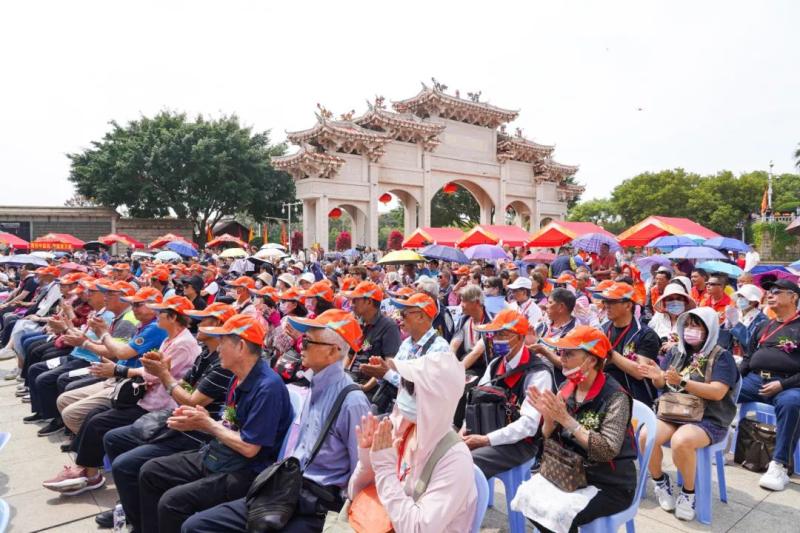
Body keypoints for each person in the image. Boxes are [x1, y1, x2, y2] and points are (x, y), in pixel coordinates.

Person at [182, 309, 370, 533]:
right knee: (196, 526)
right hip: (288, 487)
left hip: (317, 502)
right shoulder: (315, 386)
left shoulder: (351, 401)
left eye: (307, 341)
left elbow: (361, 470)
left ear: (332, 351)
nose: (301, 347)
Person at [137, 314, 292, 533]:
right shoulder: (234, 374)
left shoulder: (267, 387)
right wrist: (200, 421)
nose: (218, 348)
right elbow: (227, 420)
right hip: (222, 453)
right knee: (150, 471)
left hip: (246, 470)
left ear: (241, 347)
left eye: (223, 342)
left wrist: (207, 424)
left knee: (172, 502)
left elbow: (250, 448)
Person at [94, 303, 237, 529]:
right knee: (114, 439)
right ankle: (132, 508)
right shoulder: (206, 354)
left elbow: (191, 400)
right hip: (182, 419)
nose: (197, 324)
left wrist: (164, 375)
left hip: (196, 433)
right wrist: (168, 377)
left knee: (128, 465)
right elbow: (187, 391)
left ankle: (141, 522)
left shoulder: (223, 364)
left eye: (204, 320)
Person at [42, 295, 200, 497]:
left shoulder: (182, 343)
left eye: (160, 312)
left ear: (172, 317)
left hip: (157, 404)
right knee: (94, 415)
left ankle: (89, 473)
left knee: (99, 423)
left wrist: (119, 367)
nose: (155, 314)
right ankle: (87, 467)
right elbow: (149, 369)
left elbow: (152, 372)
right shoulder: (170, 338)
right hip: (143, 394)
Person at [517, 326, 638, 533]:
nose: (562, 358)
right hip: (568, 473)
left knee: (557, 514)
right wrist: (548, 420)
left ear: (591, 360)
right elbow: (547, 441)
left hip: (608, 483)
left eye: (569, 354)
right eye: (561, 352)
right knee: (526, 498)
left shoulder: (616, 397)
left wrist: (567, 421)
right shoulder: (567, 387)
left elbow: (606, 450)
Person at [348, 349, 477, 532]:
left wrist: (384, 468)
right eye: (404, 383)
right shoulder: (404, 428)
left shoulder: (455, 459)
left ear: (438, 400)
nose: (404, 394)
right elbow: (356, 495)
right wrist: (368, 460)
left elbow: (417, 528)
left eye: (412, 389)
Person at [639, 307, 739, 522]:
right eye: (688, 325)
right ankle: (660, 482)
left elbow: (717, 392)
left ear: (709, 329)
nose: (690, 330)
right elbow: (662, 385)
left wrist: (683, 382)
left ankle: (688, 492)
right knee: (646, 436)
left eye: (697, 326)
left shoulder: (722, 357)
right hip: (674, 411)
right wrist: (657, 377)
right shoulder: (676, 352)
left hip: (709, 417)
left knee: (681, 440)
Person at [465, 309, 555, 478]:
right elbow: (477, 399)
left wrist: (486, 440)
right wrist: (465, 429)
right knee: (449, 452)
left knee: (466, 461)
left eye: (502, 334)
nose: (496, 339)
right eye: (495, 334)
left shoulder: (538, 373)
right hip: (488, 428)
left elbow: (529, 425)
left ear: (520, 337)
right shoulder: (495, 364)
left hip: (521, 443)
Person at [738, 279, 800, 491]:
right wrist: (733, 380)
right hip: (755, 380)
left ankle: (779, 465)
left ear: (793, 297)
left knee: (791, 403)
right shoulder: (764, 326)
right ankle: (710, 441)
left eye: (776, 291)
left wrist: (782, 385)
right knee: (722, 391)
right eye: (769, 291)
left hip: (788, 384)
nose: (770, 295)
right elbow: (748, 358)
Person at [597, 282, 661, 405]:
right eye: (605, 301)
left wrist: (611, 354)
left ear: (628, 305)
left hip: (635, 400)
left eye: (612, 302)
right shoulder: (603, 329)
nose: (606, 305)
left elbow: (640, 372)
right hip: (604, 395)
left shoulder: (646, 334)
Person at [344, 281, 401, 395]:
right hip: (351, 379)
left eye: (355, 300)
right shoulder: (358, 323)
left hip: (371, 388)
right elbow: (349, 355)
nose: (351, 304)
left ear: (369, 302)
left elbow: (389, 365)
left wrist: (365, 387)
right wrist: (343, 373)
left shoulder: (389, 327)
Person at [530, 288, 577, 384]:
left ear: (561, 307)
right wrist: (530, 341)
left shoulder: (575, 332)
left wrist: (545, 352)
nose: (546, 306)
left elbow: (570, 365)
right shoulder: (542, 326)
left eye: (550, 302)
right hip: (533, 377)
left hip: (555, 385)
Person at [451, 285, 491, 377]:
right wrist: (449, 364)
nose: (461, 305)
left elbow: (476, 352)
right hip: (463, 363)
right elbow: (454, 345)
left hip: (481, 369)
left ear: (476, 302)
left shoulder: (490, 323)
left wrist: (456, 372)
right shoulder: (463, 320)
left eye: (464, 301)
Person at [727, 284, 768, 356]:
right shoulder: (735, 314)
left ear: (754, 301)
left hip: (749, 357)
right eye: (739, 296)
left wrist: (736, 325)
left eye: (743, 297)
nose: (740, 299)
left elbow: (752, 343)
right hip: (732, 354)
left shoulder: (762, 320)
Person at [415, 274, 455, 342]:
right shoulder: (417, 310)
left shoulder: (444, 314)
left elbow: (450, 337)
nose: (416, 296)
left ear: (428, 295)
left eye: (419, 293)